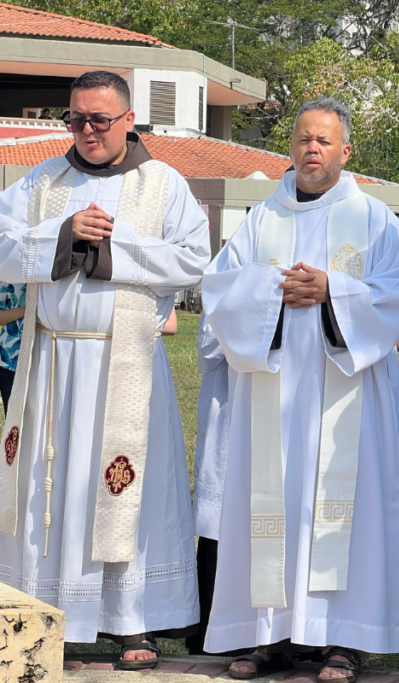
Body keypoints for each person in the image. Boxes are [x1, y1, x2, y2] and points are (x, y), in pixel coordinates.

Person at [201, 97, 399, 681]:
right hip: (273, 390)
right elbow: (219, 290)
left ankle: (345, 639)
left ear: (346, 151)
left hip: (348, 393)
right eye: (303, 139)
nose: (312, 149)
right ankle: (267, 635)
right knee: (272, 504)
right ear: (291, 147)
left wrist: (333, 292)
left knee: (346, 511)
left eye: (323, 140)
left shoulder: (374, 218)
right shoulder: (261, 218)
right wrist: (271, 292)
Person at [0, 70, 209, 669]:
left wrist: (110, 249)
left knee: (126, 491)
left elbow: (194, 259)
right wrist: (63, 233)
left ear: (128, 120)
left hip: (129, 367)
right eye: (76, 119)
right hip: (52, 367)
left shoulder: (163, 183)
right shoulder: (43, 180)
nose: (87, 131)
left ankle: (130, 624)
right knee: (48, 492)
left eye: (99, 120)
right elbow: (3, 247)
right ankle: (39, 620)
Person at [185, 310, 232, 656]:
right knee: (227, 508)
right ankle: (218, 632)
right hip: (233, 398)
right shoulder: (229, 275)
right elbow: (211, 345)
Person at [0, 280, 26, 410]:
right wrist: (26, 310)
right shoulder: (6, 274)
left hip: (45, 356)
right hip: (11, 360)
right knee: (13, 415)